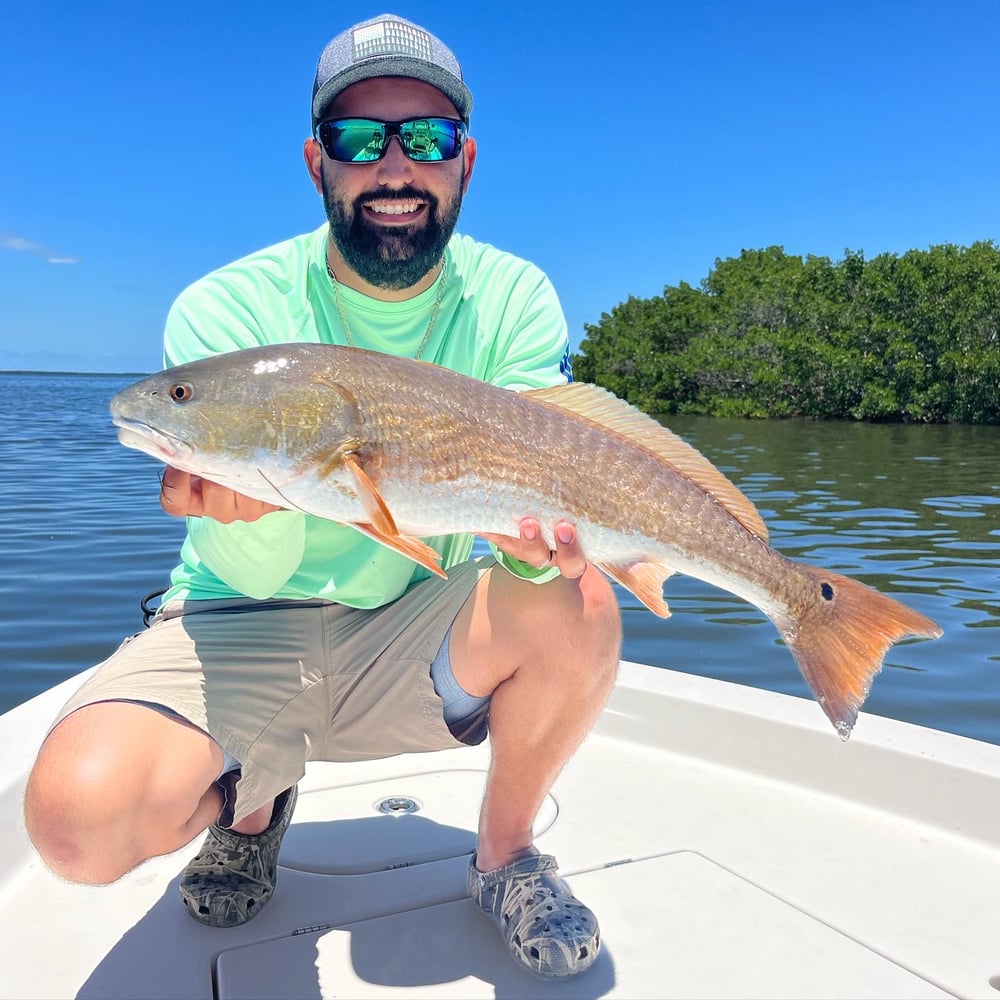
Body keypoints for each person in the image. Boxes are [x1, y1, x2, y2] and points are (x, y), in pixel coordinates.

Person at [24, 13, 620, 981]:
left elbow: (517, 533)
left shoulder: (514, 298)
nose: (394, 165)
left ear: (464, 160)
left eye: (424, 137)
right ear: (317, 163)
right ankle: (254, 804)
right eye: (357, 139)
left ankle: (505, 855)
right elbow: (249, 568)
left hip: (414, 617)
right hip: (239, 614)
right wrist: (241, 511)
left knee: (579, 598)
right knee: (75, 824)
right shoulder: (228, 307)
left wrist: (531, 545)